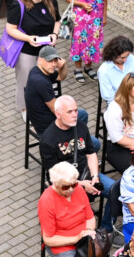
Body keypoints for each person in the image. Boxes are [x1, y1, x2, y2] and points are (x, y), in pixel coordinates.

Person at [39, 96, 120, 231]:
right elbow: (55, 178)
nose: (75, 115)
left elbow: (91, 153)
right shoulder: (48, 140)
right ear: (58, 114)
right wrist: (81, 184)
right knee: (78, 218)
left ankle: (105, 230)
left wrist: (95, 176)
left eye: (76, 110)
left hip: (87, 175)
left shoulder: (80, 126)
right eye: (69, 112)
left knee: (116, 192)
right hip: (66, 185)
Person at [6, 0, 58, 115]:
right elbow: (10, 29)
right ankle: (24, 108)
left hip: (47, 51)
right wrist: (28, 38)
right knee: (25, 80)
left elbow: (57, 21)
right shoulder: (19, 5)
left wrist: (55, 34)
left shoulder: (51, 1)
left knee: (47, 79)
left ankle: (45, 105)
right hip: (26, 51)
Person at [63, 0, 107, 82]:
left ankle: (88, 67)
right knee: (80, 42)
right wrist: (81, 4)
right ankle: (78, 69)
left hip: (96, 18)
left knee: (93, 41)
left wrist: (104, 16)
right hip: (81, 18)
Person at [23, 44, 66, 133]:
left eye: (55, 60)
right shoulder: (41, 82)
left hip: (43, 121)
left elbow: (61, 77)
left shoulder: (36, 70)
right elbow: (55, 110)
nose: (53, 64)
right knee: (81, 116)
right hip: (48, 128)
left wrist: (63, 65)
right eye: (49, 61)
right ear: (39, 60)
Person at [97, 36, 134, 106]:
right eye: (122, 57)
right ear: (113, 54)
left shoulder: (131, 58)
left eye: (127, 56)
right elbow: (109, 97)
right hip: (118, 104)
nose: (125, 60)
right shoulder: (104, 71)